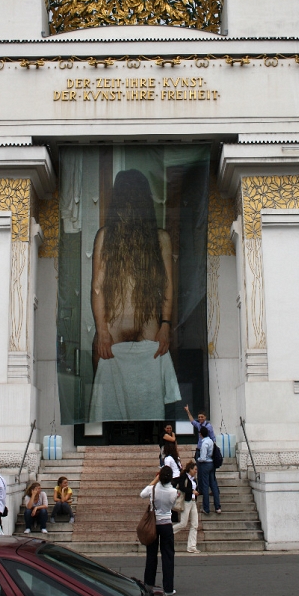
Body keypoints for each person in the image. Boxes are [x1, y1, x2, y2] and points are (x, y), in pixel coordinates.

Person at [89, 169, 181, 421]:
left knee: (150, 399)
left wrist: (165, 325)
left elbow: (168, 286)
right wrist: (103, 330)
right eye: (125, 195)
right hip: (114, 330)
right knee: (107, 397)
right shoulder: (105, 236)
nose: (130, 202)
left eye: (134, 195)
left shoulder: (161, 238)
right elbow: (96, 288)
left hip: (150, 328)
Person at [140, 466, 177, 596]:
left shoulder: (152, 489)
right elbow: (172, 506)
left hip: (153, 525)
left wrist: (154, 481)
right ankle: (168, 587)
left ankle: (148, 584)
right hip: (166, 524)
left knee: (151, 555)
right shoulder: (173, 492)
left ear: (159, 476)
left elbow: (142, 494)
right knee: (168, 556)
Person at [173, 461, 200, 553]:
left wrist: (196, 492)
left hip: (193, 501)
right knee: (183, 523)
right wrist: (192, 491)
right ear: (190, 469)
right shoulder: (184, 477)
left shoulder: (194, 479)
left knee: (195, 524)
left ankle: (192, 546)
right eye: (195, 469)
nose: (196, 471)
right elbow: (181, 487)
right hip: (186, 501)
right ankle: (168, 532)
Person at [197, 425, 221, 515]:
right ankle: (217, 506)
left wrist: (198, 459)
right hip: (212, 463)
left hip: (205, 464)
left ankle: (206, 508)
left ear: (201, 434)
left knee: (205, 486)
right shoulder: (211, 441)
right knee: (213, 485)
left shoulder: (204, 443)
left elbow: (203, 457)